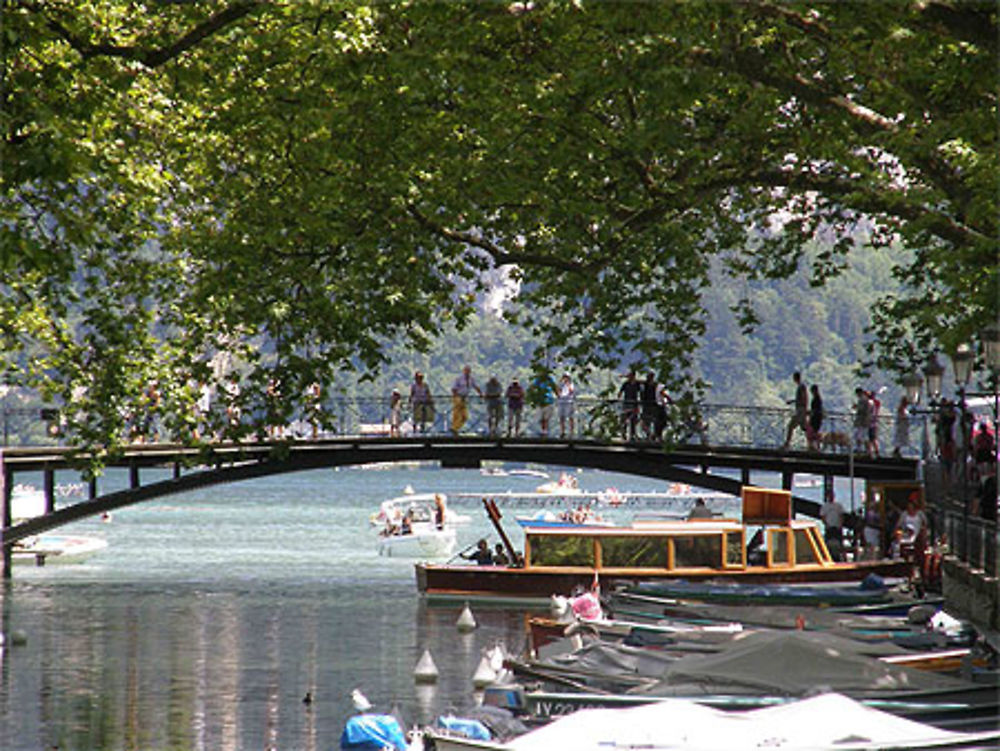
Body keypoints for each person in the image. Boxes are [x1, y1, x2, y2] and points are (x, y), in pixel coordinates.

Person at [451, 365, 482, 434]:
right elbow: (453, 389)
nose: (467, 372)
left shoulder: (471, 379)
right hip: (458, 397)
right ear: (464, 371)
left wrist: (481, 394)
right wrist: (456, 397)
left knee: (465, 416)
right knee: (457, 414)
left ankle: (455, 428)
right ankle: (454, 428)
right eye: (466, 371)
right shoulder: (459, 379)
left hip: (465, 398)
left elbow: (476, 386)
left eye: (468, 371)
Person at [782, 372, 808, 450]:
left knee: (790, 426)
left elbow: (803, 398)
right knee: (805, 428)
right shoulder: (801, 386)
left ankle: (787, 444)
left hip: (800, 410)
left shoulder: (801, 386)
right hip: (802, 410)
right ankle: (813, 444)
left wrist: (801, 406)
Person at [819, 490, 845, 560]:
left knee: (839, 543)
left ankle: (839, 557)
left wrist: (840, 524)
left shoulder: (838, 506)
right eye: (830, 496)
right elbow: (823, 517)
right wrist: (826, 524)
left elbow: (841, 516)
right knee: (828, 543)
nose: (831, 497)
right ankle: (828, 556)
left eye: (832, 496)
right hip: (829, 527)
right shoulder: (825, 506)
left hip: (837, 526)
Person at [530, 371, 557, 437]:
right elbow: (533, 387)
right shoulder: (538, 380)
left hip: (549, 400)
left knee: (546, 418)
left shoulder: (550, 379)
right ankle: (543, 431)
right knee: (541, 418)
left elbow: (555, 388)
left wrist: (558, 396)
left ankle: (545, 431)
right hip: (541, 401)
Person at [619, 371, 641, 441]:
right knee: (625, 418)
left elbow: (640, 391)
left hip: (634, 403)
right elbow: (620, 392)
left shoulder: (637, 384)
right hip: (627, 403)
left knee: (633, 419)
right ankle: (624, 433)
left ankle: (632, 434)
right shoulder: (626, 384)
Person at [640, 373, 659, 440]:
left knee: (651, 420)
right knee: (647, 421)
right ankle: (649, 434)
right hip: (648, 405)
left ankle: (651, 434)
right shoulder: (647, 384)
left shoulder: (653, 385)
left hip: (651, 405)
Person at [853, 388, 871, 455]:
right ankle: (866, 450)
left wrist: (856, 407)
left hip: (862, 421)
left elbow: (862, 409)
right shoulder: (865, 399)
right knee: (863, 435)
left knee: (859, 435)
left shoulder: (862, 399)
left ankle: (860, 449)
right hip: (864, 421)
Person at [557, 373, 576, 438]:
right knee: (561, 417)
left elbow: (571, 391)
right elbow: (558, 392)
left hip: (569, 401)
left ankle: (571, 432)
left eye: (566, 377)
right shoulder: (561, 384)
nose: (565, 378)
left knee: (570, 417)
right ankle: (562, 431)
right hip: (561, 401)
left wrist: (567, 384)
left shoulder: (571, 384)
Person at [807, 384, 824, 451]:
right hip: (817, 418)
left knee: (812, 433)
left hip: (815, 418)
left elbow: (815, 409)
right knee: (814, 432)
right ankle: (815, 447)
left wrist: (810, 413)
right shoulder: (818, 398)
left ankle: (813, 447)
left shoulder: (817, 399)